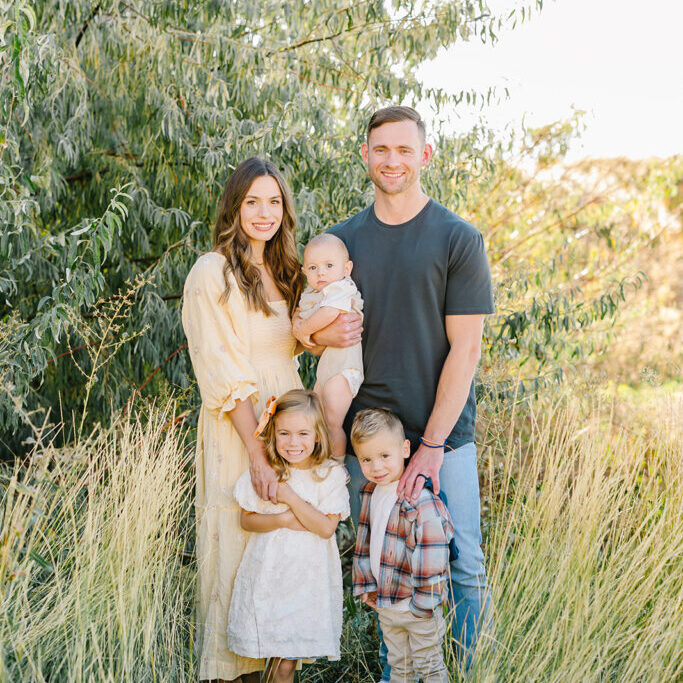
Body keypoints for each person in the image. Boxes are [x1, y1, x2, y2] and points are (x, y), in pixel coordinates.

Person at [293, 105, 495, 672]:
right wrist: (314, 332)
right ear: (365, 156)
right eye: (381, 149)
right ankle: (397, 673)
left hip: (444, 437)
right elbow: (308, 326)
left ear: (425, 155)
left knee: (463, 563)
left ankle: (473, 671)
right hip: (372, 440)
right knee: (389, 567)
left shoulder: (459, 238)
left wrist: (429, 447)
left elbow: (467, 350)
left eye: (405, 149)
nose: (392, 160)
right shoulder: (342, 242)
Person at [182, 157, 306, 682]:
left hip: (291, 427)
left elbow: (301, 344)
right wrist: (256, 452)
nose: (264, 212)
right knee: (237, 549)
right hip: (242, 429)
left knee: (286, 554)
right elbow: (223, 368)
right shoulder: (214, 272)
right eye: (252, 201)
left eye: (274, 201)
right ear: (234, 205)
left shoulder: (286, 272)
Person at [227, 389, 350, 683]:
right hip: (269, 576)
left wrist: (289, 497)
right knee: (268, 653)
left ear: (318, 435)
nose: (293, 443)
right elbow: (247, 520)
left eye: (303, 433)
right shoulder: (269, 473)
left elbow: (325, 527)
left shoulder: (329, 475)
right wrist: (282, 518)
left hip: (306, 583)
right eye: (284, 433)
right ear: (273, 434)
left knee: (286, 661)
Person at [351, 408, 454, 683]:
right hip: (387, 606)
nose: (377, 467)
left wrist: (423, 605)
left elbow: (433, 552)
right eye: (367, 459)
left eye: (385, 456)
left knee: (429, 668)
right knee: (399, 668)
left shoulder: (418, 499)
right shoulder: (370, 493)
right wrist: (366, 586)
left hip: (418, 608)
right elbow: (365, 543)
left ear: (405, 449)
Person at [297, 233, 364, 461]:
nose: (321, 273)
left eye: (328, 265)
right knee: (318, 417)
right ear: (304, 271)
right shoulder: (314, 293)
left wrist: (303, 329)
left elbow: (329, 312)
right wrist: (298, 324)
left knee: (333, 421)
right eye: (313, 268)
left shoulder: (341, 288)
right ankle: (319, 461)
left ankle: (336, 466)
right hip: (328, 368)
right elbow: (299, 312)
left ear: (347, 268)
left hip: (344, 368)